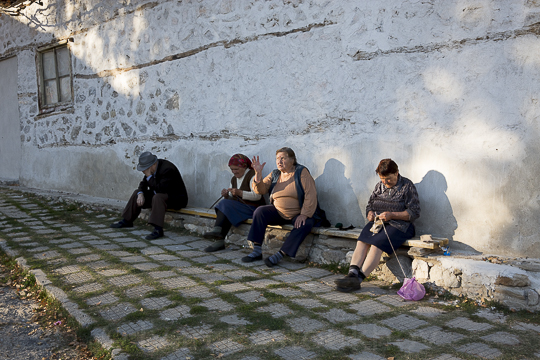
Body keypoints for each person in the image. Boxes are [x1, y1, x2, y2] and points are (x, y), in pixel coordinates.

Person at [335, 158, 420, 292]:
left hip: (401, 226)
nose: (385, 182)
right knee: (362, 241)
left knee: (376, 244)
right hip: (379, 223)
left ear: (397, 173)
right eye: (382, 179)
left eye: (389, 179)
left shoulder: (407, 186)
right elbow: (370, 205)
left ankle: (358, 280)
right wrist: (370, 213)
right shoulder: (379, 187)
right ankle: (352, 274)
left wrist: (392, 215)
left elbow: (414, 212)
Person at [242, 147, 329, 267]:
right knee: (260, 211)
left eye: (283, 158)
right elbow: (260, 190)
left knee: (306, 223)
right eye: (277, 158)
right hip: (278, 212)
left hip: (298, 213)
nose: (279, 161)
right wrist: (258, 174)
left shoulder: (301, 172)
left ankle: (281, 254)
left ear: (292, 160)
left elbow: (311, 194)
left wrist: (304, 214)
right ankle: (256, 250)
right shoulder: (275, 174)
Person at [110, 151, 188, 240]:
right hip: (159, 198)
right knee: (137, 193)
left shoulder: (167, 169)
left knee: (158, 197)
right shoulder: (151, 171)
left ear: (153, 165)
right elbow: (143, 184)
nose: (144, 171)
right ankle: (127, 221)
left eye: (145, 169)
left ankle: (158, 229)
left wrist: (148, 176)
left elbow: (161, 190)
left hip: (175, 199)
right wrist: (140, 194)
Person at [203, 154, 266, 252]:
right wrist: (227, 195)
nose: (234, 172)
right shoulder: (234, 179)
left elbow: (257, 196)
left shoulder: (252, 175)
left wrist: (239, 192)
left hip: (253, 208)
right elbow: (233, 198)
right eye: (232, 169)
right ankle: (219, 241)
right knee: (226, 206)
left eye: (236, 169)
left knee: (225, 205)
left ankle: (217, 231)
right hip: (241, 207)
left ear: (244, 167)